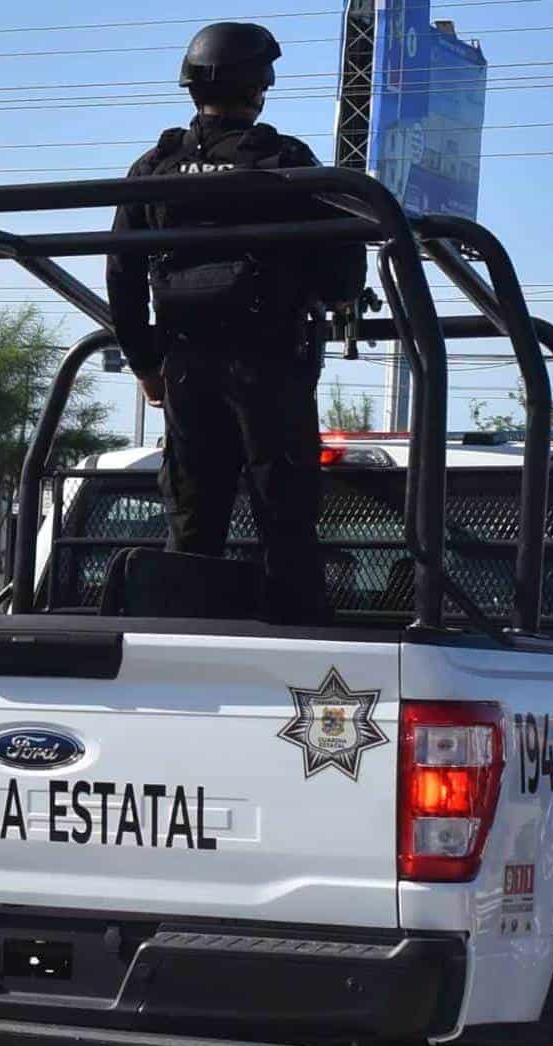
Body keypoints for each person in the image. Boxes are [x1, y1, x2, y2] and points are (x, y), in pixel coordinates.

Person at [106, 22, 367, 624]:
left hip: (185, 367)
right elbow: (341, 278)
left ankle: (183, 649)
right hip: (270, 362)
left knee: (192, 519)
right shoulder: (286, 163)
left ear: (192, 87)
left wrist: (146, 365)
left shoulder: (155, 165)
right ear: (261, 88)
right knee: (285, 514)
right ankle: (294, 644)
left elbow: (121, 272)